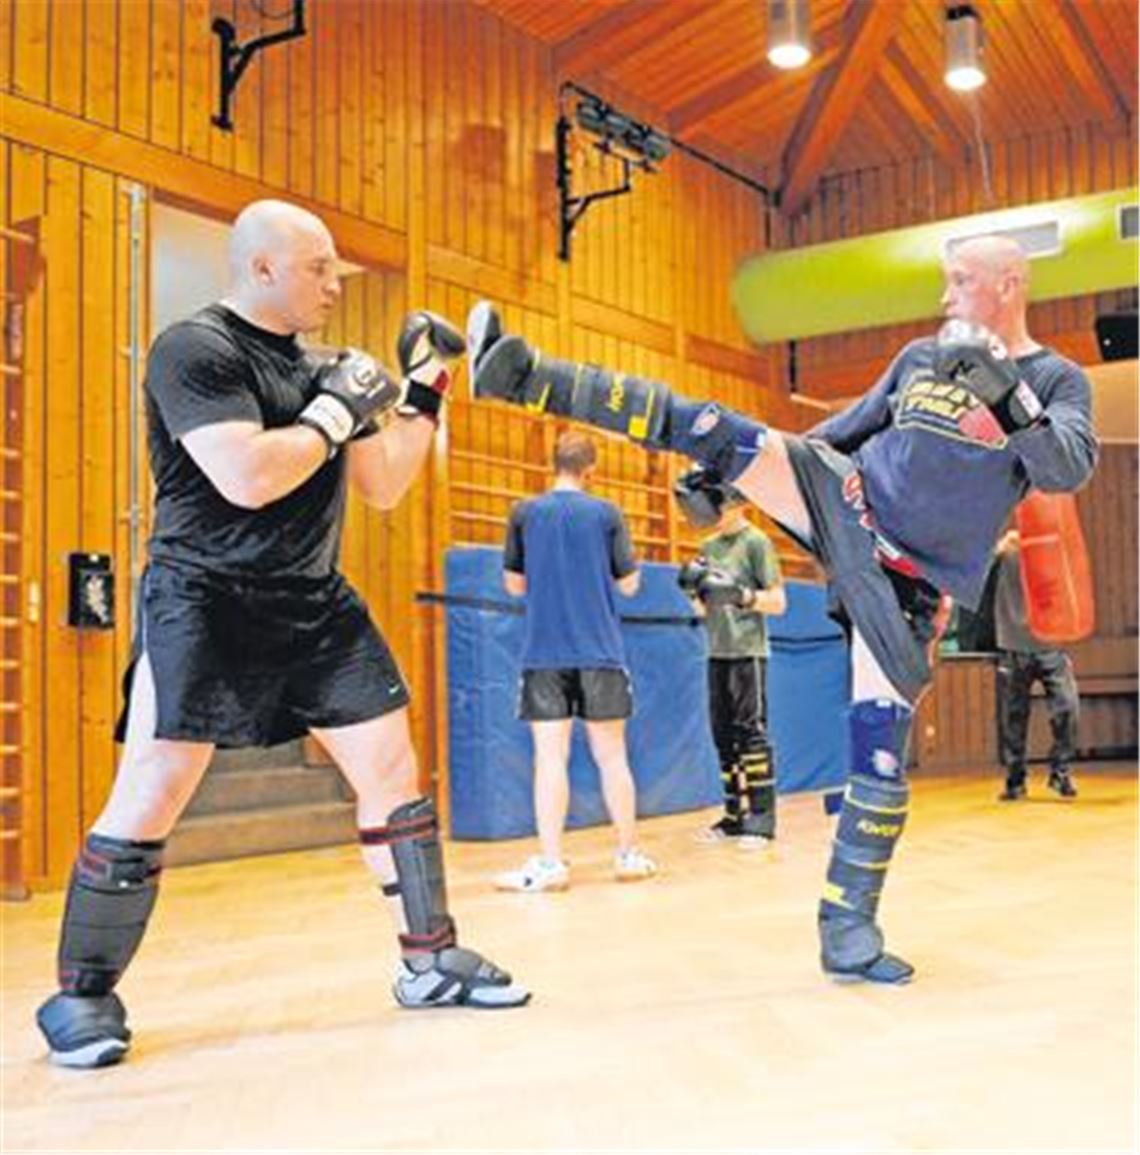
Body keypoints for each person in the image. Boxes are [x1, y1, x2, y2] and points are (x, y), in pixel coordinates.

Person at [466, 234, 1097, 983]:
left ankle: (847, 929)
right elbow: (841, 433)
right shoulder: (919, 359)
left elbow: (1067, 466)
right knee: (717, 430)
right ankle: (525, 376)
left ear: (1009, 283)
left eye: (959, 280)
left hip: (911, 580)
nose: (945, 296)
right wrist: (739, 482)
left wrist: (1007, 395)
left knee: (879, 749)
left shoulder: (1055, 379)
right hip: (849, 500)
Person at [36, 200, 528, 1069]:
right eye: (318, 268)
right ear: (262, 268)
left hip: (311, 600)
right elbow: (246, 476)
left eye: (336, 267)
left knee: (392, 771)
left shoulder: (326, 368)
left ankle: (430, 960)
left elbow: (382, 483)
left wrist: (424, 390)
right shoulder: (194, 350)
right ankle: (82, 995)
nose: (335, 284)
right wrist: (333, 415)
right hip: (203, 597)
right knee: (153, 786)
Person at [495, 431, 657, 892]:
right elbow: (629, 587)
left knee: (550, 758)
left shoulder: (524, 512)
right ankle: (628, 855)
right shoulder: (607, 513)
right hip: (600, 652)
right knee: (613, 756)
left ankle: (551, 863)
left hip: (543, 654)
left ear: (554, 463)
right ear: (591, 469)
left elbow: (514, 586)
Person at [677, 488, 786, 845]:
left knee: (750, 732)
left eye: (717, 506)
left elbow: (778, 602)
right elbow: (702, 609)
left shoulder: (756, 542)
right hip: (717, 651)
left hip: (748, 651)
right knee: (723, 736)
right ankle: (735, 816)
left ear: (736, 504)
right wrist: (692, 591)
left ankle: (762, 819)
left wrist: (743, 595)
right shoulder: (708, 547)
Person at [991, 530, 1080, 800]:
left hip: (1049, 644)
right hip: (1012, 644)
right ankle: (1015, 779)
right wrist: (999, 547)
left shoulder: (1052, 549)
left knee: (1067, 707)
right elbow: (976, 562)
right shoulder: (1006, 550)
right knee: (1013, 718)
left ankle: (1060, 772)